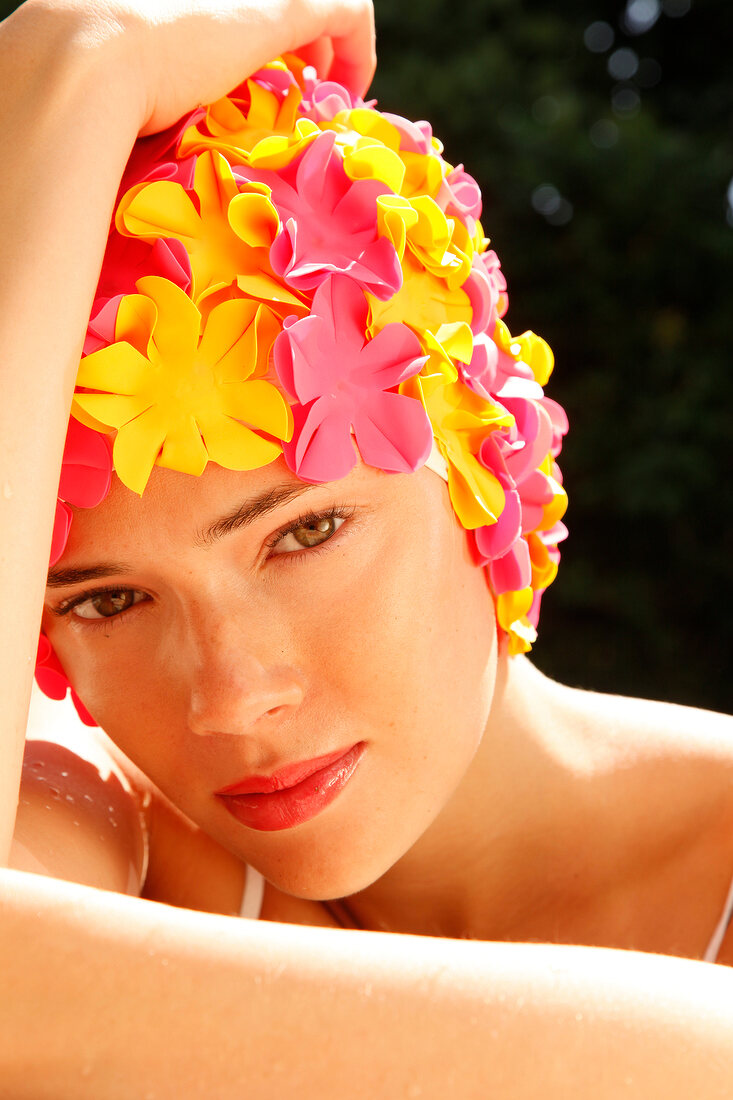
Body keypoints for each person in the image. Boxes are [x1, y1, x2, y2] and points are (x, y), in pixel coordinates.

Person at [3, 1, 733, 1097]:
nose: (231, 698)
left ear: (487, 448)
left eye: (304, 529)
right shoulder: (98, 838)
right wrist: (78, 72)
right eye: (106, 601)